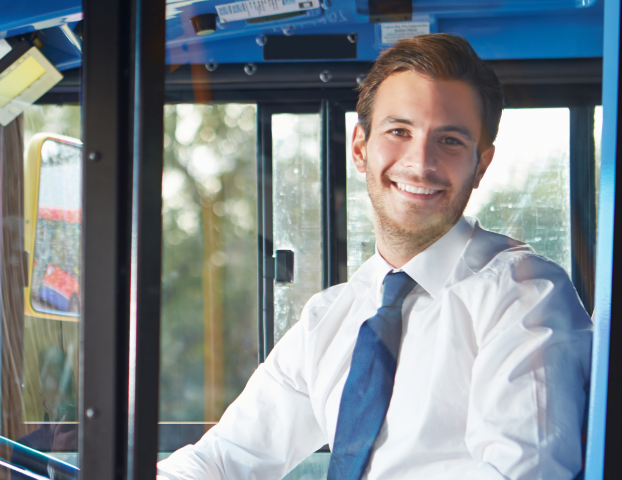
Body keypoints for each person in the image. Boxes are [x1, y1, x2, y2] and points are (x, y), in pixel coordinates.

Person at [157, 33, 592, 480]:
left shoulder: (522, 295)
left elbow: (521, 475)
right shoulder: (330, 317)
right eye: (399, 131)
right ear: (360, 147)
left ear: (480, 166)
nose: (420, 162)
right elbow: (224, 458)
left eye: (450, 141)